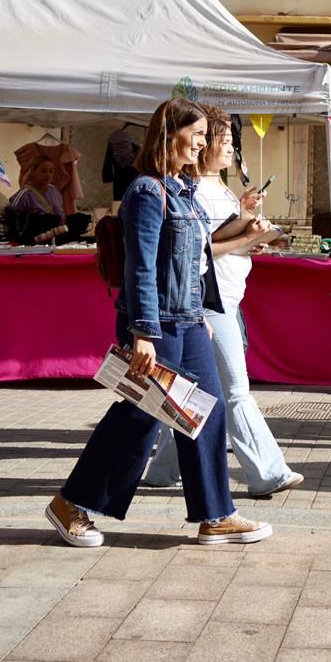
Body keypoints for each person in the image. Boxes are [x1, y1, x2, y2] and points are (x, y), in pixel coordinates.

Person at [45, 96, 270, 547]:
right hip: (156, 324)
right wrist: (143, 332)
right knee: (140, 416)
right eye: (199, 134)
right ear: (171, 133)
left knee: (206, 412)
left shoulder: (182, 189)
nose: (204, 142)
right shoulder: (147, 191)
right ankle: (72, 504)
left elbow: (194, 259)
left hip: (188, 321)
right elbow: (141, 268)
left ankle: (216, 515)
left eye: (208, 135)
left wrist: (201, 314)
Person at [142, 106, 303, 496]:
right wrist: (249, 237)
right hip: (207, 302)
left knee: (197, 395)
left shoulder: (207, 188)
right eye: (221, 140)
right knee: (233, 390)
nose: (228, 148)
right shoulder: (167, 190)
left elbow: (210, 244)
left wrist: (247, 227)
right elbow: (193, 253)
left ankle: (163, 470)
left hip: (219, 301)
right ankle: (267, 472)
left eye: (227, 141)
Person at [8, 158, 91, 244]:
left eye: (51, 172)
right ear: (33, 171)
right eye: (43, 171)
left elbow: (61, 214)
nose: (47, 175)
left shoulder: (54, 190)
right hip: (37, 239)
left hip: (57, 235)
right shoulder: (24, 194)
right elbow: (14, 219)